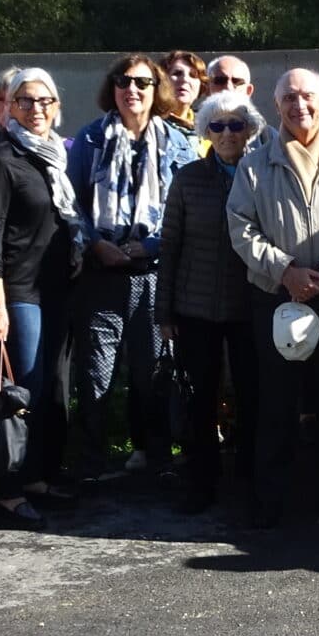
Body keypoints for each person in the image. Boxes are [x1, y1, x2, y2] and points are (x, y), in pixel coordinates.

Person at [224, 68, 319, 526]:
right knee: (276, 401)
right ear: (276, 106)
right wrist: (285, 272)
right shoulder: (254, 167)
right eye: (290, 97)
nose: (300, 106)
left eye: (308, 96)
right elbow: (241, 228)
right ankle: (271, 498)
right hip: (275, 298)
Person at [68, 53, 196, 477]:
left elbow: (183, 210)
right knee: (95, 375)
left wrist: (152, 245)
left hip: (153, 272)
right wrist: (96, 245)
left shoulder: (178, 142)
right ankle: (88, 463)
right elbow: (72, 206)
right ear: (113, 88)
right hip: (101, 271)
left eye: (142, 82)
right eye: (124, 82)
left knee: (153, 373)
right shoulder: (89, 140)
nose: (133, 90)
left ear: (155, 89)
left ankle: (157, 460)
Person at [0, 68, 81, 526]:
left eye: (44, 101)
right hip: (19, 289)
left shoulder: (57, 157)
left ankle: (37, 477)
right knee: (24, 390)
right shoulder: (1, 156)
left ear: (56, 107)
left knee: (54, 387)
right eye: (24, 102)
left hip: (58, 287)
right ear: (9, 107)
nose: (35, 110)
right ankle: (8, 490)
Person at [156, 90, 264, 515]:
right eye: (216, 126)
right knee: (200, 396)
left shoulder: (261, 175)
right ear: (205, 130)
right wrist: (163, 312)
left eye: (236, 124)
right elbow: (171, 245)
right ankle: (201, 479)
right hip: (195, 306)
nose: (226, 133)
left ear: (249, 129)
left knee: (253, 394)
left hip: (248, 305)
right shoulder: (187, 178)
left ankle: (253, 476)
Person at [159, 51, 208, 136]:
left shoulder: (210, 128)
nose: (185, 79)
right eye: (177, 73)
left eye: (193, 75)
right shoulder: (150, 126)